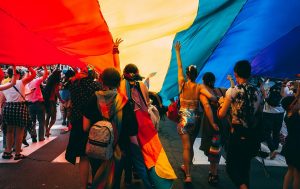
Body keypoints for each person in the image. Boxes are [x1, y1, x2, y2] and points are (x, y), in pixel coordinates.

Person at [175, 41, 216, 183]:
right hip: (196, 117)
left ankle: (188, 175)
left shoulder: (182, 83)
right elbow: (211, 97)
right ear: (196, 74)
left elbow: (179, 66)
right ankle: (187, 168)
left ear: (187, 74)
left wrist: (178, 52)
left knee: (185, 147)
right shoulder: (199, 87)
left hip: (184, 117)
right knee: (190, 146)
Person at [82, 67, 130, 188]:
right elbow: (131, 129)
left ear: (101, 81)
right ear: (118, 82)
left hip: (98, 147)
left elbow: (85, 127)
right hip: (118, 149)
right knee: (115, 180)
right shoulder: (124, 101)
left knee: (97, 177)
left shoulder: (94, 98)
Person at [217, 60, 262, 189]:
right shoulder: (257, 92)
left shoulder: (232, 91)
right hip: (251, 134)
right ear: (249, 74)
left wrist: (221, 105)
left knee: (231, 167)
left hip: (237, 133)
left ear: (235, 74)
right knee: (245, 168)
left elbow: (221, 114)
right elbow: (259, 114)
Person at [65, 67, 102, 189]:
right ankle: (94, 181)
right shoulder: (97, 86)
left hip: (78, 123)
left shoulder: (74, 86)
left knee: (83, 156)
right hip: (93, 123)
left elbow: (72, 102)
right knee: (96, 155)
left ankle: (83, 186)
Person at [2, 66, 36, 160]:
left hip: (8, 107)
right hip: (19, 107)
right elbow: (34, 74)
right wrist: (28, 66)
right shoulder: (21, 82)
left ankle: (8, 152)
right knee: (19, 132)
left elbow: (2, 99)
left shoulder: (4, 85)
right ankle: (17, 153)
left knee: (9, 131)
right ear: (16, 74)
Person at [199, 72, 226, 185]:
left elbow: (207, 107)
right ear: (214, 80)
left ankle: (213, 173)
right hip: (222, 122)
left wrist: (212, 122)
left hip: (210, 124)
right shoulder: (222, 90)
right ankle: (213, 170)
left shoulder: (203, 93)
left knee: (212, 149)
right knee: (216, 148)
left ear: (204, 81)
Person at [281, 84, 300, 189]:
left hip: (289, 145)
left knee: (290, 170)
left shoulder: (288, 116)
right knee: (298, 174)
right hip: (297, 146)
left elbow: (295, 100)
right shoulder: (296, 115)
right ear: (291, 106)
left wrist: (297, 96)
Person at [26, 66, 48, 142]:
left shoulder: (25, 83)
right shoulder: (36, 81)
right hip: (39, 104)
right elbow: (45, 76)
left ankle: (33, 137)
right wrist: (44, 67)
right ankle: (41, 137)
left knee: (33, 122)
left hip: (30, 104)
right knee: (41, 121)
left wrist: (32, 69)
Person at [43, 68, 63, 137]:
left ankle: (46, 130)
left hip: (47, 100)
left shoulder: (49, 81)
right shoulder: (56, 83)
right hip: (52, 101)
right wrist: (61, 100)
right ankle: (48, 129)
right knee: (53, 118)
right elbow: (56, 92)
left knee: (48, 116)